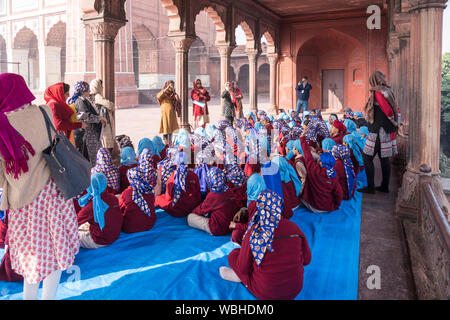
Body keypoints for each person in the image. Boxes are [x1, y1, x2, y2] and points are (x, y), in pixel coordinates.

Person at [0, 73, 79, 300]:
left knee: (31, 258)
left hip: (25, 203)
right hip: (54, 193)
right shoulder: (44, 111)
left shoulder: (2, 125)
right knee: (54, 253)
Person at [220, 190, 312, 300]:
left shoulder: (255, 231)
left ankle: (241, 279)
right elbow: (307, 260)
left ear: (260, 209)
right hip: (295, 289)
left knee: (233, 255)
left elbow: (243, 268)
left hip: (267, 293)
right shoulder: (294, 228)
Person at [359, 71, 402, 194]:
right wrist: (396, 124)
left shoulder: (377, 91)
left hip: (378, 130)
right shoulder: (387, 90)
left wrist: (393, 122)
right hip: (386, 130)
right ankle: (384, 186)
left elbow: (387, 110)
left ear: (373, 80)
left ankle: (371, 187)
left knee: (367, 158)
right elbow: (395, 108)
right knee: (384, 158)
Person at [187, 167, 239, 236]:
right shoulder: (229, 190)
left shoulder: (213, 195)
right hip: (230, 226)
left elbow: (200, 209)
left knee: (190, 217)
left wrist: (193, 212)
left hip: (218, 228)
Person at [77, 173, 123, 249]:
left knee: (71, 235)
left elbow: (75, 221)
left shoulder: (92, 205)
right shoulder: (113, 198)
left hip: (100, 240)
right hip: (115, 235)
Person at [299, 135, 343, 213]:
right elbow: (339, 193)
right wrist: (336, 205)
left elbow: (307, 154)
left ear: (321, 162)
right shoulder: (333, 175)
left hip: (313, 206)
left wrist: (302, 139)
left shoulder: (313, 168)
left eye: (319, 158)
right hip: (327, 207)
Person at [70, 81, 107, 166]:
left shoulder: (84, 100)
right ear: (83, 91)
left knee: (95, 156)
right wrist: (99, 118)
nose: (89, 91)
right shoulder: (80, 101)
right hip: (89, 133)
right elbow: (83, 116)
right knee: (93, 158)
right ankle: (93, 176)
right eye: (87, 90)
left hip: (92, 132)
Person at [119, 151, 157, 234]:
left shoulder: (126, 194)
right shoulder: (149, 190)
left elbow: (120, 209)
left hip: (130, 228)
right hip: (150, 224)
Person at [155, 152, 202, 218]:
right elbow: (198, 192)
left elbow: (168, 197)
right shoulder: (194, 175)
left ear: (175, 162)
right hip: (192, 206)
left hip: (178, 209)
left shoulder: (173, 176)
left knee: (158, 199)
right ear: (187, 162)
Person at [90, 79, 116, 153]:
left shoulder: (91, 96)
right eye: (101, 86)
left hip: (99, 123)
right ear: (97, 86)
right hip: (104, 123)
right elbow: (111, 106)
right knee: (107, 145)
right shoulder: (97, 96)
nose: (102, 87)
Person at [157, 80, 180, 146]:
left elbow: (177, 100)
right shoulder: (164, 92)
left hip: (171, 113)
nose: (172, 87)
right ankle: (166, 143)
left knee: (171, 128)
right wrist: (166, 88)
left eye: (173, 85)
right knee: (166, 128)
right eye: (170, 85)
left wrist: (175, 95)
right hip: (165, 113)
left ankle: (169, 143)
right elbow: (158, 96)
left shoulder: (173, 93)